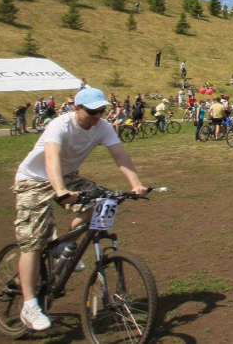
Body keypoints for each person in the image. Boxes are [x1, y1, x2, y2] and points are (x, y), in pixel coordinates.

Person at [12, 87, 147, 332]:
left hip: (67, 177)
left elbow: (120, 156)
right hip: (34, 179)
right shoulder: (60, 125)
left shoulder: (103, 127)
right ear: (76, 108)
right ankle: (29, 305)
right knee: (33, 240)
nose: (97, 116)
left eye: (101, 111)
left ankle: (65, 245)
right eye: (92, 111)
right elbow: (51, 158)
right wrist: (60, 190)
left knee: (106, 202)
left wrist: (136, 184)